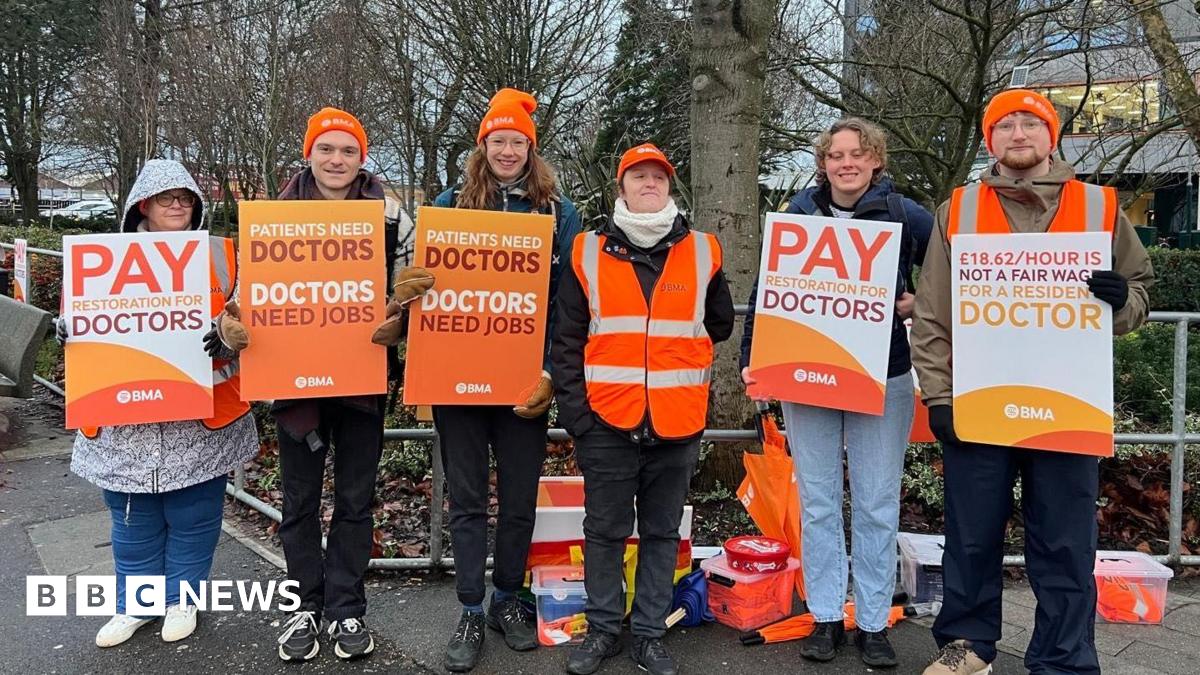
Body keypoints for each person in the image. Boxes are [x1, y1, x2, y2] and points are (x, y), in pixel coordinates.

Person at [912, 89, 1154, 675]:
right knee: (971, 538)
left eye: (1030, 123)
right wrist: (940, 397)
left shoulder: (1100, 207)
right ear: (988, 141)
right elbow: (932, 313)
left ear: (1053, 136)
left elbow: (1139, 293)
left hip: (1068, 405)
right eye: (1005, 126)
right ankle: (968, 648)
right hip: (979, 403)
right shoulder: (958, 210)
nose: (1018, 134)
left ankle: (1065, 660)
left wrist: (1122, 302)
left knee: (1066, 544)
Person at [739, 117, 932, 668]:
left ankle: (872, 622)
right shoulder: (799, 216)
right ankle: (825, 615)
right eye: (835, 155)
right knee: (819, 504)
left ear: (876, 161)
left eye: (857, 154)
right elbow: (765, 291)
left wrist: (918, 303)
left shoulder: (906, 215)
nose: (846, 163)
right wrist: (756, 361)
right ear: (823, 163)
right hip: (808, 376)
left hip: (884, 376)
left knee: (876, 504)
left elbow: (947, 275)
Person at [244, 107, 424, 662]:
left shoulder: (393, 217)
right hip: (295, 382)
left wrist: (401, 312)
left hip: (362, 378)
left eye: (348, 150)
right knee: (297, 502)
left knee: (354, 500)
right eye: (327, 149)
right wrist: (234, 323)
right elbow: (250, 290)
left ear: (361, 157)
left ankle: (346, 609)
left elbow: (413, 288)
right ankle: (303, 606)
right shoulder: (274, 217)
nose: (337, 160)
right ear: (309, 154)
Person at [552, 142, 734, 675]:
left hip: (677, 422)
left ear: (669, 187)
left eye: (658, 177)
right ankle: (604, 629)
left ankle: (650, 635)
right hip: (606, 420)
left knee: (660, 533)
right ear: (622, 188)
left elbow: (718, 322)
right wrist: (579, 420)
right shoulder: (587, 251)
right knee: (604, 531)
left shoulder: (704, 251)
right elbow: (566, 343)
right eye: (638, 177)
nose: (649, 184)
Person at [62, 159, 259, 648]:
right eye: (167, 197)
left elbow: (250, 318)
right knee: (132, 516)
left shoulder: (219, 257)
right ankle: (136, 605)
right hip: (125, 419)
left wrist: (232, 337)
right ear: (142, 205)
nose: (178, 205)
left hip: (201, 417)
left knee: (194, 514)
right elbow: (76, 315)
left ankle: (182, 599)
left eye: (186, 197)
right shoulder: (98, 259)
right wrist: (66, 327)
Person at [432, 88, 582, 673]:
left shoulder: (555, 211)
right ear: (484, 145)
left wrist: (550, 370)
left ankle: (508, 600)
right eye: (499, 140)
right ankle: (471, 608)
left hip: (525, 380)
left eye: (518, 141)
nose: (508, 150)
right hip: (460, 380)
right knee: (467, 498)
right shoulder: (450, 202)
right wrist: (411, 284)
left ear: (531, 147)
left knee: (520, 498)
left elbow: (571, 299)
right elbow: (427, 286)